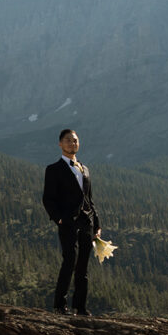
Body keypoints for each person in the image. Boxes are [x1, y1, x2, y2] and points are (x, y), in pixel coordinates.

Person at [42, 128, 101, 316]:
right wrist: (58, 218)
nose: (72, 143)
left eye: (75, 140)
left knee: (83, 265)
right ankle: (60, 305)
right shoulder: (53, 169)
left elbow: (89, 199)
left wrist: (97, 224)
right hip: (67, 222)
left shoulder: (85, 169)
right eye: (68, 141)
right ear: (60, 144)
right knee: (69, 262)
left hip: (87, 222)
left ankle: (80, 307)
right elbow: (48, 198)